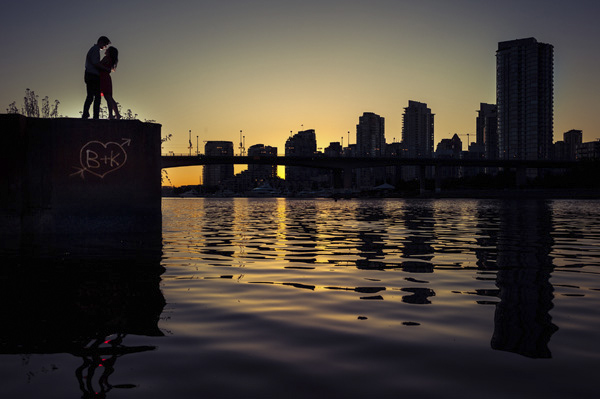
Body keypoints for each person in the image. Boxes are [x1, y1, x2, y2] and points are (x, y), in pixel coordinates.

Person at [82, 36, 111, 119]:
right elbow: (95, 63)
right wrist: (106, 68)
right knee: (97, 97)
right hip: (93, 75)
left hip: (89, 74)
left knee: (90, 96)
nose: (105, 47)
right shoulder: (95, 50)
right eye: (105, 45)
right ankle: (95, 116)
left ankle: (86, 113)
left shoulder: (93, 49)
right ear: (101, 42)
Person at [100, 47, 121, 119]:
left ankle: (111, 115)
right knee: (109, 97)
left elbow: (99, 65)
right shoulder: (111, 60)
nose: (106, 50)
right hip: (107, 78)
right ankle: (117, 114)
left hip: (103, 78)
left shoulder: (106, 58)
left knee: (107, 97)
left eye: (107, 49)